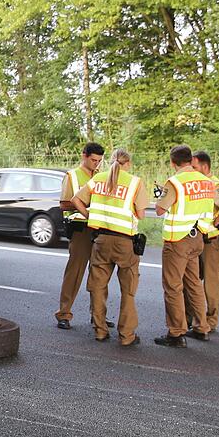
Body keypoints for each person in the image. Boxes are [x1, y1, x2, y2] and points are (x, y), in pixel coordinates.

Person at [70, 148, 149, 346]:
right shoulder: (134, 182)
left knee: (97, 287)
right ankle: (127, 335)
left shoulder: (98, 179)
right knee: (128, 290)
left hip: (101, 240)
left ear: (110, 161)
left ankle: (100, 331)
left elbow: (75, 200)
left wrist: (90, 217)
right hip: (125, 243)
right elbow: (140, 214)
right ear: (128, 163)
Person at [154, 144, 215, 347]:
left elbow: (160, 209)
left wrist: (161, 195)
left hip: (177, 240)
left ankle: (176, 333)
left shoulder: (175, 182)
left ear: (173, 162)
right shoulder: (206, 182)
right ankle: (202, 328)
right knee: (194, 284)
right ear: (190, 160)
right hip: (197, 237)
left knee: (173, 286)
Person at [54, 142, 105, 330]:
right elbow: (64, 204)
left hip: (99, 228)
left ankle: (98, 316)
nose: (96, 164)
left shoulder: (101, 176)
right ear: (84, 155)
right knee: (75, 273)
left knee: (99, 274)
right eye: (93, 160)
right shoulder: (72, 176)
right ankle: (64, 314)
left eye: (99, 161)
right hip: (80, 229)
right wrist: (86, 205)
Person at [187, 150, 219, 333]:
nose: (191, 170)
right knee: (191, 279)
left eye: (194, 167)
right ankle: (193, 317)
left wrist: (216, 221)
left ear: (204, 167)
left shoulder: (213, 184)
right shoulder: (199, 185)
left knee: (211, 281)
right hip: (199, 238)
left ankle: (210, 321)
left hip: (213, 240)